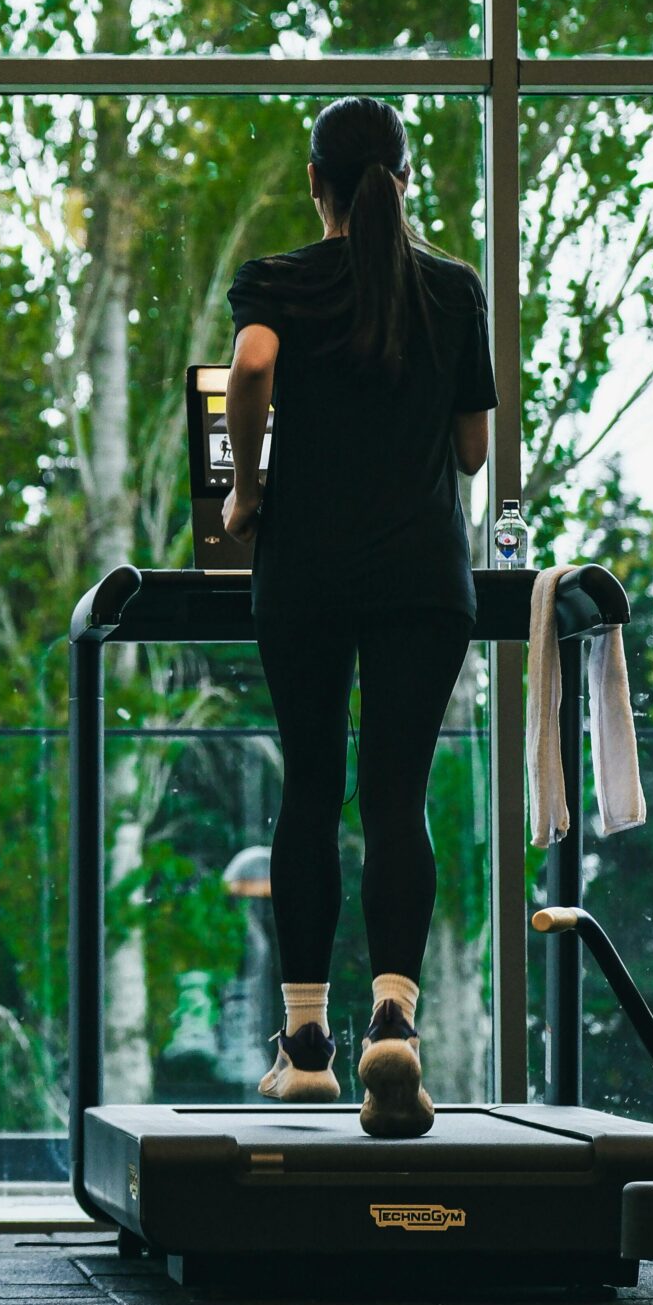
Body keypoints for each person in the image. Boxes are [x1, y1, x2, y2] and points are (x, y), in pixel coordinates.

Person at [221, 96, 496, 1138]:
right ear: (404, 180)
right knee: (395, 797)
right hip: (421, 578)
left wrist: (246, 490)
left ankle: (304, 1049)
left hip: (307, 575)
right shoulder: (452, 288)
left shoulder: (278, 280)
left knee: (310, 788)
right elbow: (471, 450)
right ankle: (394, 1023)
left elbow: (251, 366)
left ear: (314, 182)